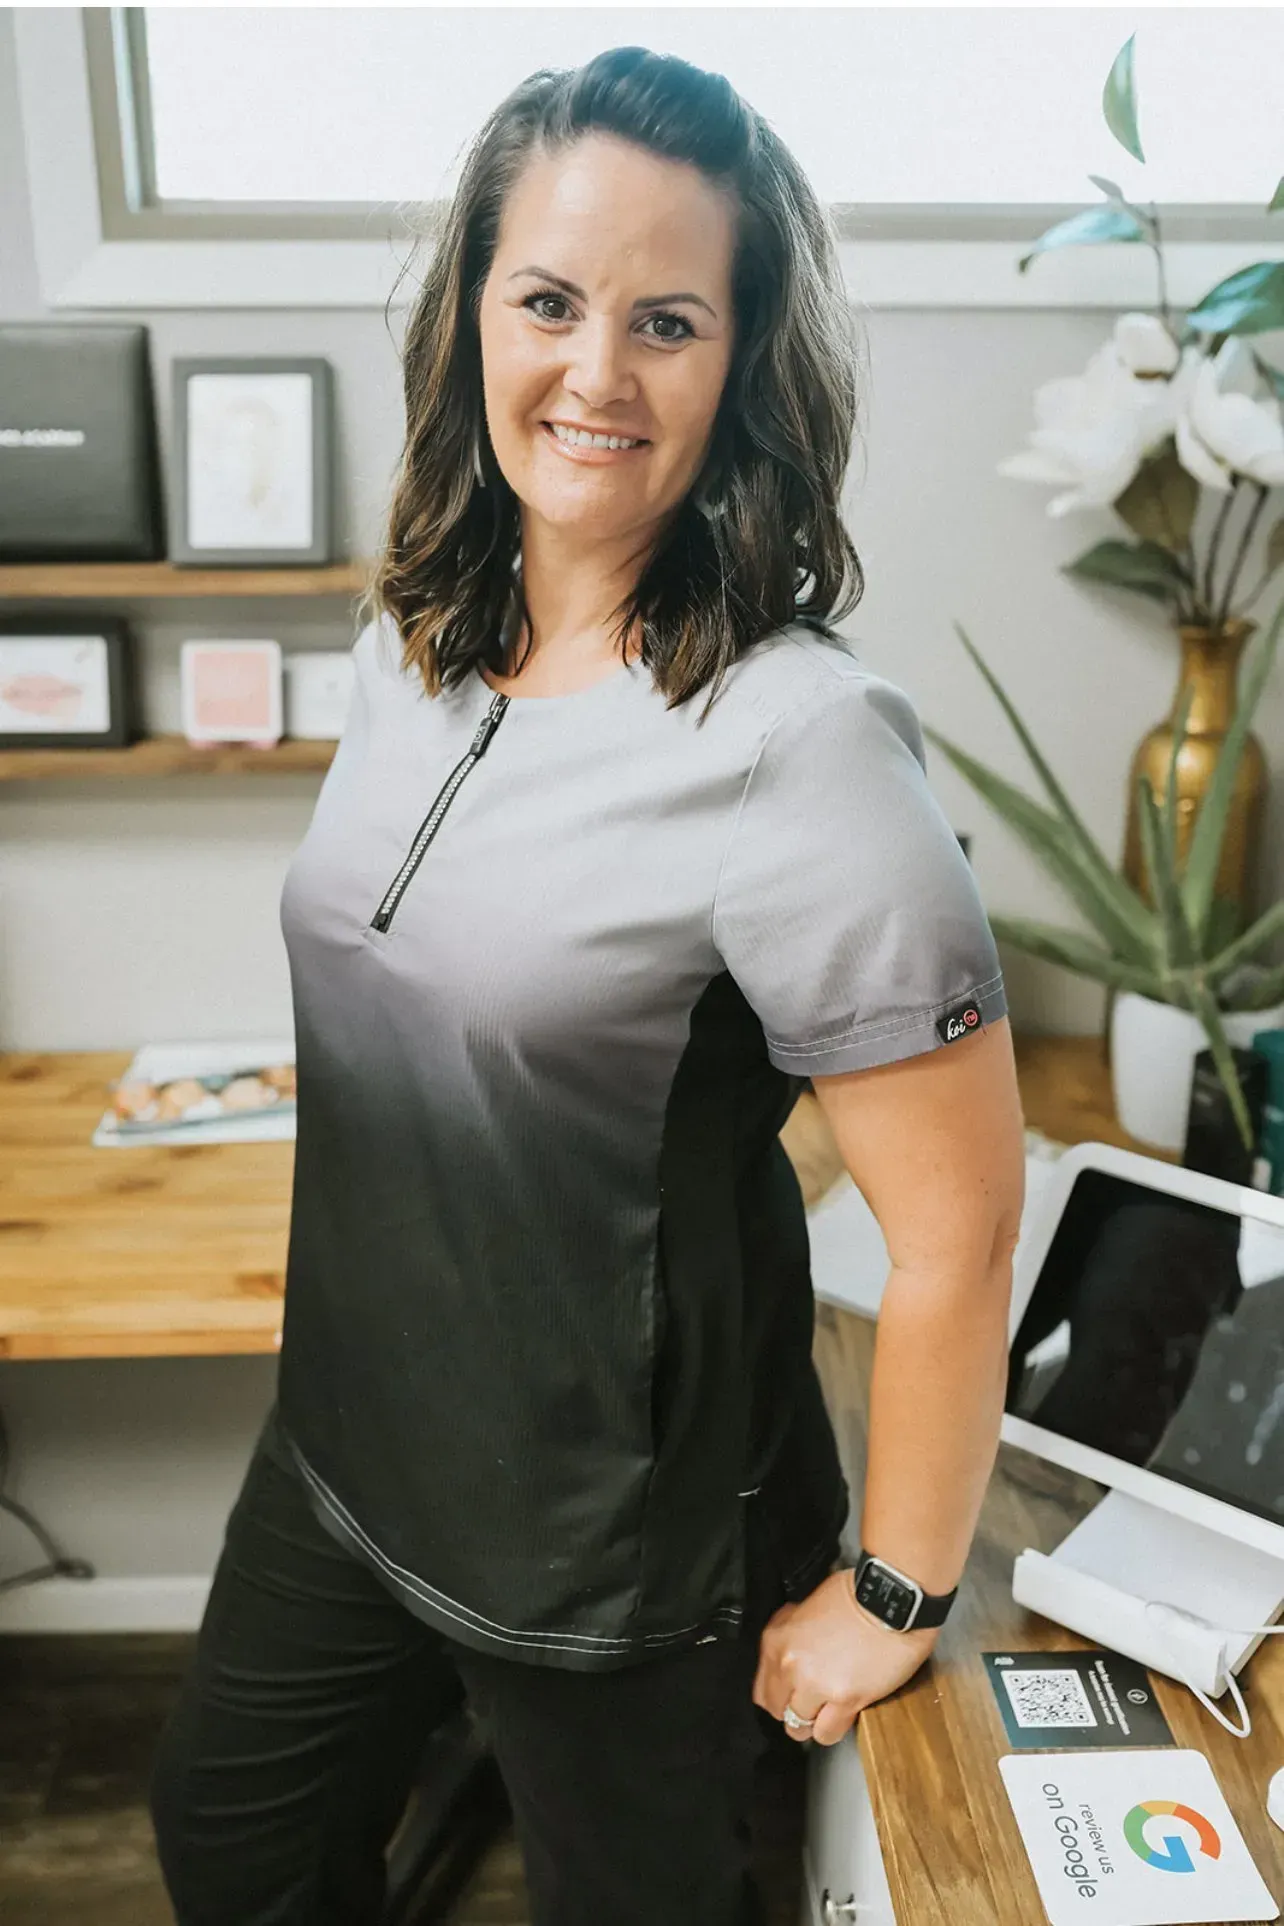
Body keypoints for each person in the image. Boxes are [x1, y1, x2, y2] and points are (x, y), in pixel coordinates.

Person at [148, 45, 1026, 1926]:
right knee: (228, 1840)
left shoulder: (802, 747)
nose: (596, 371)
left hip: (621, 1557)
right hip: (348, 1446)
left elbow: (956, 1229)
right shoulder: (413, 634)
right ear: (475, 304)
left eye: (669, 319)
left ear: (745, 364)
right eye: (549, 299)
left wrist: (897, 1588)